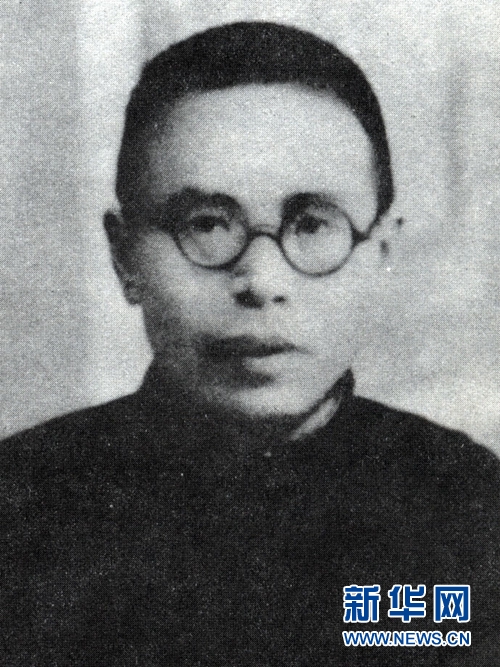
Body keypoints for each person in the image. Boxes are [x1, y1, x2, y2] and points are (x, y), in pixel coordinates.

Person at [1, 22, 499, 666]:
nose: (261, 282)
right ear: (125, 258)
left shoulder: (471, 508)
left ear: (379, 251)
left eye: (312, 225)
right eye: (207, 225)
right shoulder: (19, 509)